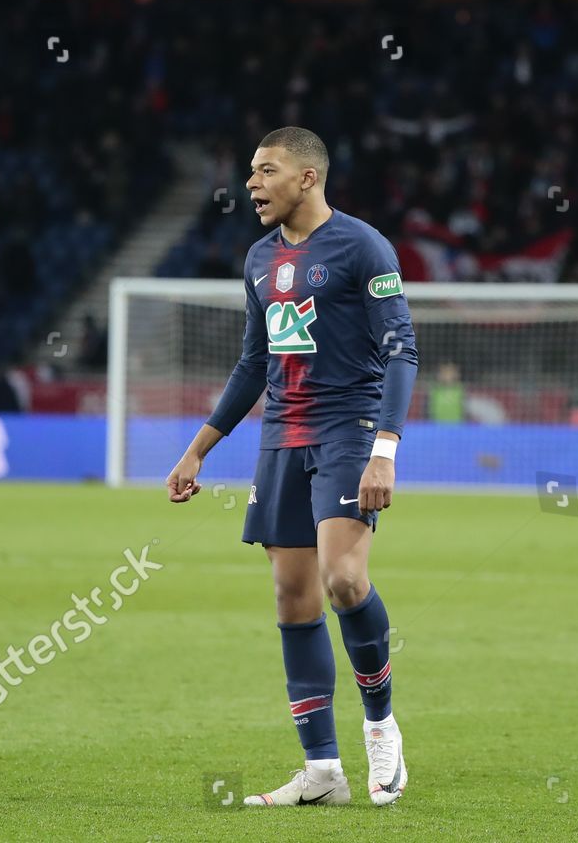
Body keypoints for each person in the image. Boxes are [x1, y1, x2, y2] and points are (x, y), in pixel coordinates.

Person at [165, 127, 418, 807]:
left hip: (349, 429)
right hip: (282, 436)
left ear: (307, 178)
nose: (251, 183)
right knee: (292, 596)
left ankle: (380, 724)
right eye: (250, 171)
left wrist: (384, 450)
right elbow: (254, 363)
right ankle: (323, 771)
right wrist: (200, 448)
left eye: (265, 170)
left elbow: (402, 351)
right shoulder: (257, 258)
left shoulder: (363, 247)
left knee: (343, 578)